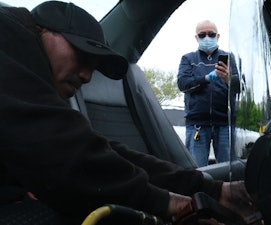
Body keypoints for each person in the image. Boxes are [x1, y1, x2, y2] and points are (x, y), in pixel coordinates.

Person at [0, 2, 255, 225]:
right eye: (81, 55)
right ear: (43, 30)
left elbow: (104, 152)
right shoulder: (8, 34)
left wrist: (210, 189)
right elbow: (59, 150)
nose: (87, 76)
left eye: (94, 67)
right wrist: (170, 205)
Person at [177, 20, 241, 167]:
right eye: (202, 34)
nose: (207, 37)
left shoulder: (230, 58)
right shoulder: (188, 59)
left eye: (211, 34)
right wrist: (206, 78)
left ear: (218, 36)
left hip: (225, 123)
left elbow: (241, 87)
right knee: (197, 170)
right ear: (196, 38)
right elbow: (183, 84)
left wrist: (228, 80)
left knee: (228, 169)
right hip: (197, 124)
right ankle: (200, 191)